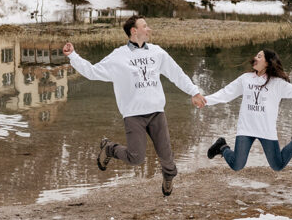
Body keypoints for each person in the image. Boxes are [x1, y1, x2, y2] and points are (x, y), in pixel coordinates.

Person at [63, 15, 206, 197]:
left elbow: (176, 74)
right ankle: (109, 148)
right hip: (133, 114)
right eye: (145, 26)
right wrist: (73, 56)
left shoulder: (157, 52)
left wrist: (194, 92)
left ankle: (168, 177)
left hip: (156, 112)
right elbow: (92, 72)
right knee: (136, 158)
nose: (149, 29)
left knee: (167, 157)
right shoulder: (118, 56)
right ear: (134, 30)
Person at [202, 49, 292, 172]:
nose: (255, 58)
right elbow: (226, 93)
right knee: (237, 165)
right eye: (256, 55)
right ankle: (222, 146)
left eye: (260, 56)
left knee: (278, 165)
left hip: (266, 129)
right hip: (246, 128)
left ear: (267, 62)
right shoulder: (246, 79)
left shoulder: (277, 83)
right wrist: (205, 100)